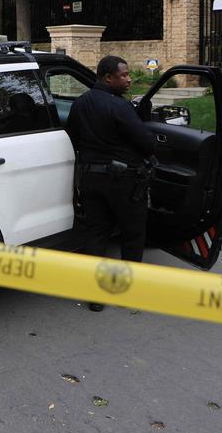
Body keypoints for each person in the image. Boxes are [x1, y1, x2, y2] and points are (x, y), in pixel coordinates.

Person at [66, 55, 156, 311]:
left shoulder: (80, 104)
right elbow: (147, 144)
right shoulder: (120, 107)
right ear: (108, 77)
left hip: (91, 179)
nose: (129, 79)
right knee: (132, 235)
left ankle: (95, 297)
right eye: (124, 75)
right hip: (125, 182)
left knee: (96, 235)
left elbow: (73, 137)